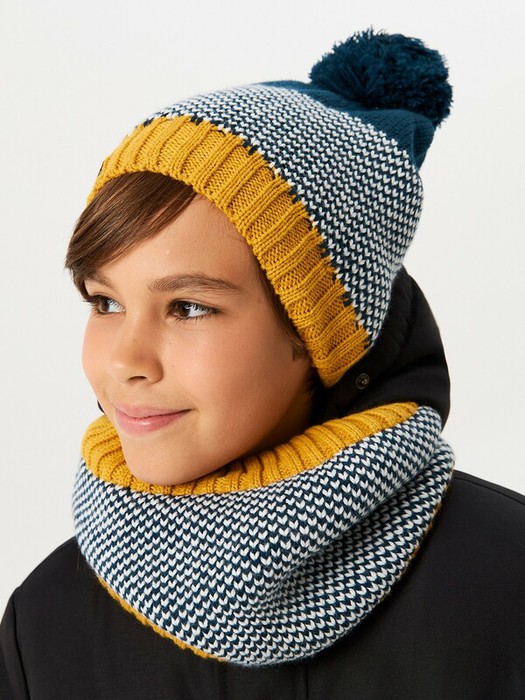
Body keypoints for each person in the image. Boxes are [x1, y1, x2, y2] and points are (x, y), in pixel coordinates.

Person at [1, 29, 524, 699]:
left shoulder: (507, 588)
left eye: (189, 307)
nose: (125, 360)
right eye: (105, 302)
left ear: (319, 335)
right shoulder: (46, 626)